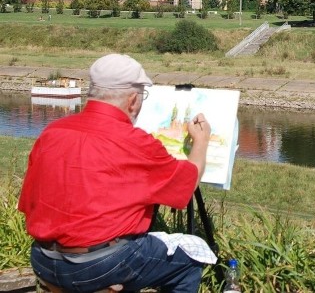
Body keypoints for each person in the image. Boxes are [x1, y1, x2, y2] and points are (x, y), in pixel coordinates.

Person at [18, 53, 213, 293]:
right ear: (132, 100)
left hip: (43, 259)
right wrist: (201, 141)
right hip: (99, 266)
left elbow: (29, 204)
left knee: (121, 251)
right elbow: (186, 185)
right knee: (190, 261)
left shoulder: (53, 131)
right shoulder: (133, 141)